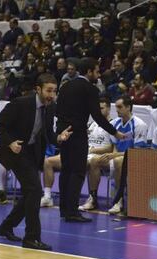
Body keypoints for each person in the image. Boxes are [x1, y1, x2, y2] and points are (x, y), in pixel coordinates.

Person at [0, 73, 72, 251]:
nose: (51, 95)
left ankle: (6, 227)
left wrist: (59, 138)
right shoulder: (21, 103)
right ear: (38, 89)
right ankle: (31, 237)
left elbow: (47, 134)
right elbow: (0, 123)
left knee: (31, 193)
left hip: (30, 153)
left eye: (54, 91)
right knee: (35, 191)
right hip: (13, 151)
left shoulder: (50, 107)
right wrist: (10, 142)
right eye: (48, 91)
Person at [56, 57, 125, 222]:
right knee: (78, 172)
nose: (98, 74)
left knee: (66, 171)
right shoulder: (90, 89)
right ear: (89, 71)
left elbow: (57, 110)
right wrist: (114, 132)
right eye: (96, 71)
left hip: (63, 133)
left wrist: (62, 129)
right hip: (78, 134)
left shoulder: (65, 86)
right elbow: (98, 117)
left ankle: (64, 209)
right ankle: (72, 211)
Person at [41, 97, 114, 208]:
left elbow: (111, 148)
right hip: (83, 152)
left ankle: (91, 198)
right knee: (48, 161)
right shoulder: (91, 124)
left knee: (88, 162)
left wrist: (93, 150)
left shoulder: (113, 125)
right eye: (97, 108)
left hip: (97, 156)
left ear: (108, 109)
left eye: (102, 108)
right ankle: (47, 196)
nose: (98, 111)